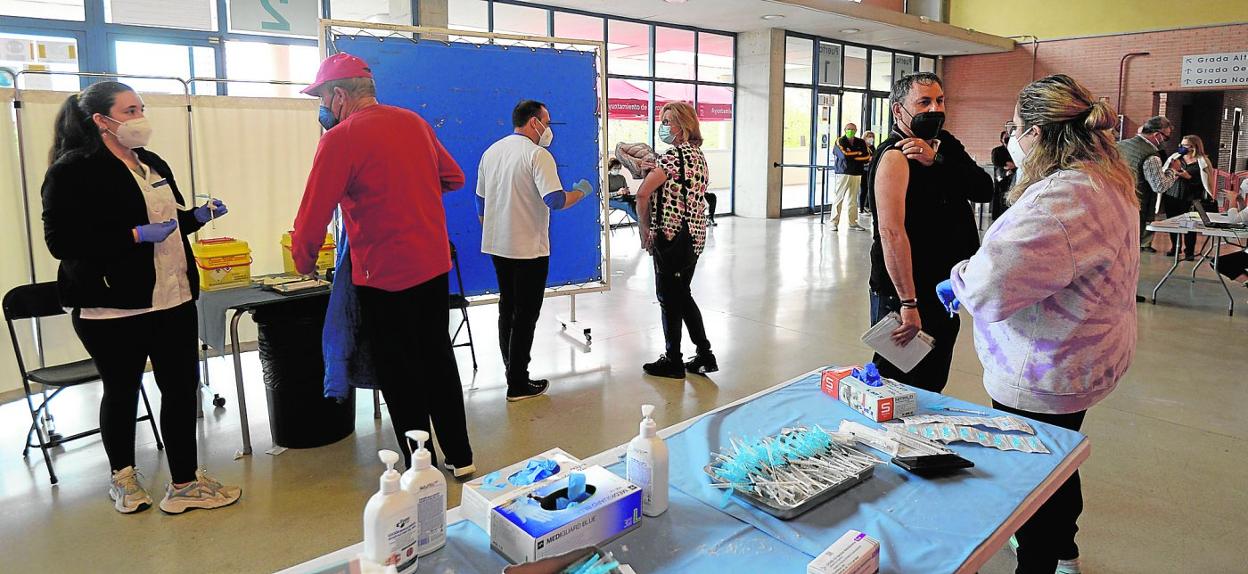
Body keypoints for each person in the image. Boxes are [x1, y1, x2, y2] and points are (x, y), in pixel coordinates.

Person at [938, 73, 1139, 574]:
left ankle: (1042, 558)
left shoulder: (1060, 201)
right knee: (1059, 458)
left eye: (1015, 126)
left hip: (1046, 366)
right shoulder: (1106, 178)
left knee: (1034, 473)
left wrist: (959, 277)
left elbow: (991, 286)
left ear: (1037, 134)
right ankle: (1062, 547)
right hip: (1089, 351)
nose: (1011, 136)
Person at [41, 81, 240, 514]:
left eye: (141, 108)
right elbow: (61, 241)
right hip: (112, 303)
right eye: (130, 110)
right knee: (122, 389)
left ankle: (184, 483)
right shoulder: (73, 169)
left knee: (181, 388)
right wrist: (131, 236)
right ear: (101, 121)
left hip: (173, 295)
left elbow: (168, 222)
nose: (140, 117)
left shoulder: (150, 162)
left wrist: (198, 217)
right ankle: (124, 478)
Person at [291, 53, 475, 476]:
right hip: (432, 264)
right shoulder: (413, 122)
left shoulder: (340, 140)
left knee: (400, 371)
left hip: (383, 274)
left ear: (338, 95)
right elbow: (454, 177)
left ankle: (419, 465)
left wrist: (304, 262)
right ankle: (462, 457)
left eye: (320, 98)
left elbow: (312, 216)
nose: (321, 108)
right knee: (437, 357)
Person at [866, 72, 993, 393]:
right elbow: (891, 233)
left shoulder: (946, 144)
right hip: (908, 291)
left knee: (932, 380)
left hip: (945, 288)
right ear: (898, 110)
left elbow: (983, 188)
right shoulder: (894, 155)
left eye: (940, 100)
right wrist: (908, 303)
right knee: (898, 385)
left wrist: (937, 159)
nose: (935, 109)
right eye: (924, 102)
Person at [477, 100, 594, 401]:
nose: (549, 129)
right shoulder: (537, 155)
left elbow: (480, 203)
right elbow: (554, 199)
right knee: (526, 315)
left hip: (497, 245)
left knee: (508, 308)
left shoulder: (492, 152)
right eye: (547, 121)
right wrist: (580, 192)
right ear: (533, 122)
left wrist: (497, 226)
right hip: (528, 248)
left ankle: (510, 368)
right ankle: (518, 382)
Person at [636, 101, 716, 379]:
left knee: (670, 298)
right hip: (693, 237)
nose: (664, 126)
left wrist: (644, 229)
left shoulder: (671, 158)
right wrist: (653, 166)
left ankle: (674, 360)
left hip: (671, 239)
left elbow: (643, 194)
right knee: (682, 295)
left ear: (684, 126)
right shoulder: (697, 156)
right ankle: (704, 355)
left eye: (669, 121)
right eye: (663, 120)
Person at [1116, 116, 1175, 254]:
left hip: (1115, 201)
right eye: (1166, 138)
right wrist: (1173, 171)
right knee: (1131, 251)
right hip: (1137, 204)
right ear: (1157, 135)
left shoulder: (1120, 145)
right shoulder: (1151, 156)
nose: (1165, 142)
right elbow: (1159, 186)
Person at [1160, 135, 1214, 260]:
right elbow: (1164, 173)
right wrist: (1174, 173)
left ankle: (1189, 251)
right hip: (1173, 194)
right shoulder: (1175, 157)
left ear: (1194, 147)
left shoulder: (1202, 161)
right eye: (1181, 144)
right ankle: (1175, 247)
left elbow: (1207, 181)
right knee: (1173, 222)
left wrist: (1188, 177)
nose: (1182, 147)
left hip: (1191, 196)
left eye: (1185, 145)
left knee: (1191, 224)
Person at [830, 123, 871, 231]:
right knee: (839, 198)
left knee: (853, 200)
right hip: (843, 172)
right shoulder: (840, 141)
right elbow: (843, 155)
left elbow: (867, 157)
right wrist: (858, 153)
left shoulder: (861, 142)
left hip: (857, 173)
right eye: (849, 129)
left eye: (853, 129)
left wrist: (852, 155)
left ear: (856, 130)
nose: (851, 131)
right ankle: (833, 222)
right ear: (845, 130)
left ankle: (853, 222)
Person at [990, 129, 1017, 219]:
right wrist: (1006, 166)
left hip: (1012, 178)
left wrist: (1013, 166)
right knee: (1000, 198)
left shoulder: (1013, 150)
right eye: (1005, 138)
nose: (1007, 139)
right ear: (1001, 139)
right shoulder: (997, 150)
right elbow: (996, 162)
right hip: (1001, 178)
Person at [607, 158, 639, 224]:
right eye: (615, 168)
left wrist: (626, 191)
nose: (617, 170)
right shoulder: (607, 178)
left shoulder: (621, 177)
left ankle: (647, 219)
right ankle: (641, 222)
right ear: (610, 168)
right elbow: (605, 195)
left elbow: (626, 189)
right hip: (611, 200)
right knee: (627, 205)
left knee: (638, 199)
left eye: (619, 168)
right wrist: (617, 193)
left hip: (622, 197)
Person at [857, 130, 877, 215]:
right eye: (869, 137)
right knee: (863, 189)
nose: (871, 139)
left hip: (871, 169)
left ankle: (867, 206)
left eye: (872, 137)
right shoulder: (861, 146)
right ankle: (861, 208)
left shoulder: (872, 147)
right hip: (863, 170)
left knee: (870, 188)